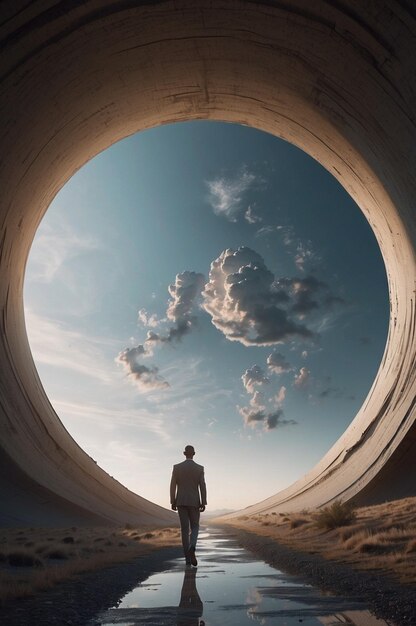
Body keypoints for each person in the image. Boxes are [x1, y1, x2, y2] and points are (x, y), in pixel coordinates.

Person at [170, 445, 207, 566]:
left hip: (181, 501)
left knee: (184, 530)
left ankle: (187, 559)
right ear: (194, 454)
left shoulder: (177, 467)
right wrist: (203, 501)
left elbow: (173, 485)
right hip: (195, 502)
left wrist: (173, 500)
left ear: (184, 454)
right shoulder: (199, 468)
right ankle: (192, 548)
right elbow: (202, 485)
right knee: (195, 526)